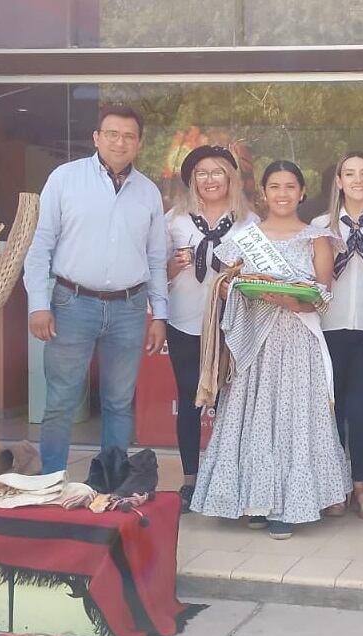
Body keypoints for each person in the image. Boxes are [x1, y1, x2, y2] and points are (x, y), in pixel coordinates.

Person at [190, 160, 351, 540]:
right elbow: (225, 286)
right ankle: (255, 501)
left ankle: (286, 508)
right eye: (275, 186)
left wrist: (295, 300)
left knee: (294, 419)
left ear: (302, 192)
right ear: (263, 193)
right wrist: (232, 290)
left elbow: (322, 294)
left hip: (298, 340)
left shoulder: (318, 238)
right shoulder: (245, 238)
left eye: (290, 186)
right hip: (255, 346)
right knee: (256, 418)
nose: (282, 193)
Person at [24, 104, 167, 474]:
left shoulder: (148, 192)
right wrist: (38, 304)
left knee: (119, 402)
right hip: (72, 304)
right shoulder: (64, 179)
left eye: (129, 136)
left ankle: (111, 481)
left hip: (129, 308)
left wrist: (160, 314)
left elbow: (156, 258)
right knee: (60, 401)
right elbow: (40, 246)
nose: (120, 142)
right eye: (112, 134)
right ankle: (52, 481)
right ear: (97, 138)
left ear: (139, 143)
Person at [165, 145, 258, 512]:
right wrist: (175, 265)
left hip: (230, 323)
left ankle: (227, 476)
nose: (209, 179)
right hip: (184, 321)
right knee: (190, 399)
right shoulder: (175, 220)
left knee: (230, 403)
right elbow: (159, 272)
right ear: (192, 180)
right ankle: (190, 480)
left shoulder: (248, 223)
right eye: (201, 173)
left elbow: (256, 275)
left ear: (231, 177)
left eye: (217, 171)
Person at [310, 151, 363, 520]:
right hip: (328, 328)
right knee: (332, 411)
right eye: (349, 174)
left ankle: (360, 484)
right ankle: (334, 485)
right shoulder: (321, 225)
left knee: (360, 409)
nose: (358, 180)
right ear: (338, 181)